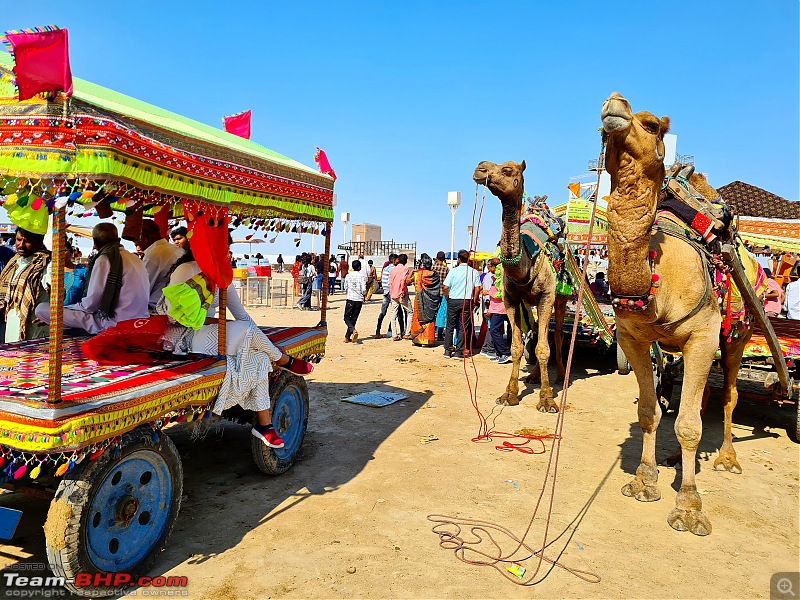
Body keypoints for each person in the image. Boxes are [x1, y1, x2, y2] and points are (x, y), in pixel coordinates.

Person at [154, 243, 312, 449]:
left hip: (207, 335)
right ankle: (284, 360)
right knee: (245, 332)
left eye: (226, 248)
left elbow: (241, 315)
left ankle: (265, 425)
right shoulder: (187, 270)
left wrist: (264, 341)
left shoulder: (223, 274)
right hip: (183, 337)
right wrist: (224, 325)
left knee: (259, 356)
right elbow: (172, 316)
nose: (225, 253)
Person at [35, 223, 149, 334]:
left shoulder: (104, 259)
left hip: (112, 322)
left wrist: (66, 310)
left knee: (41, 309)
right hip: (139, 319)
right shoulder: (135, 259)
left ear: (95, 242)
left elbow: (91, 305)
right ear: (118, 240)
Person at [0, 227, 51, 343]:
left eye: (26, 241)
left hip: (33, 327)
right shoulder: (14, 262)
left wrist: (50, 311)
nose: (21, 245)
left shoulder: (46, 263)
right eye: (18, 240)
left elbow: (57, 291)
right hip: (12, 323)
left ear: (38, 242)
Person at [442, 249, 481, 359]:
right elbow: (477, 289)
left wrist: (447, 298)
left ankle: (448, 351)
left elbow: (445, 287)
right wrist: (474, 301)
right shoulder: (474, 272)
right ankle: (459, 351)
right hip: (466, 301)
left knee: (450, 326)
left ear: (458, 259)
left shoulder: (453, 271)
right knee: (463, 327)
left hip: (453, 300)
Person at [139, 219, 184, 309]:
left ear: (143, 238)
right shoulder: (179, 251)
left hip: (158, 309)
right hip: (177, 306)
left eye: (135, 239)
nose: (136, 244)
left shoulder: (154, 255)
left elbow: (142, 290)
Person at [409, 254, 442, 346]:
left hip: (420, 300)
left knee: (418, 319)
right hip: (432, 301)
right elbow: (437, 290)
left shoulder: (418, 274)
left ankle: (417, 339)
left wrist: (412, 272)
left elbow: (407, 281)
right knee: (430, 320)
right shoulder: (435, 275)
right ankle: (427, 340)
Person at [487, 263, 511, 363]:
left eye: (491, 266)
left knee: (494, 330)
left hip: (500, 309)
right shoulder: (494, 279)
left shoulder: (503, 280)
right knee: (496, 331)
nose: (489, 268)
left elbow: (501, 295)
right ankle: (499, 353)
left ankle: (505, 352)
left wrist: (488, 292)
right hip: (494, 308)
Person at [389, 254, 413, 341]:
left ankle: (394, 335)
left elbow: (390, 283)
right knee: (410, 312)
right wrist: (403, 291)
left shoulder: (393, 270)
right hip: (402, 294)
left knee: (393, 315)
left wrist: (391, 294)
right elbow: (403, 280)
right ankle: (407, 333)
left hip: (394, 294)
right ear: (405, 261)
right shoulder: (405, 269)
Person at [375, 254, 400, 338]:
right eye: (397, 259)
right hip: (392, 292)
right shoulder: (394, 269)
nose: (398, 261)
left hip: (386, 292)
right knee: (395, 312)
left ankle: (377, 331)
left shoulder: (386, 268)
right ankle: (390, 330)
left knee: (383, 312)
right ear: (394, 260)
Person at [343, 259, 367, 343]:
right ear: (359, 267)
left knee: (346, 317)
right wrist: (364, 294)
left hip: (350, 298)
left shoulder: (348, 276)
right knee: (354, 318)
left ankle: (352, 330)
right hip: (359, 299)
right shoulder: (362, 276)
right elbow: (364, 290)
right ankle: (347, 336)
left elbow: (345, 287)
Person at [63, 239, 88, 306]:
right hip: (57, 311)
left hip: (77, 311)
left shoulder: (82, 270)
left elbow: (89, 293)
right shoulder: (52, 271)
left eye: (64, 250)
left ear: (71, 253)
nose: (60, 254)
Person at [432, 251, 450, 341]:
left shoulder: (432, 267)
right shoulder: (446, 269)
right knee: (441, 314)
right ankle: (439, 334)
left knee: (432, 313)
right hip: (442, 293)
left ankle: (431, 332)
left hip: (432, 294)